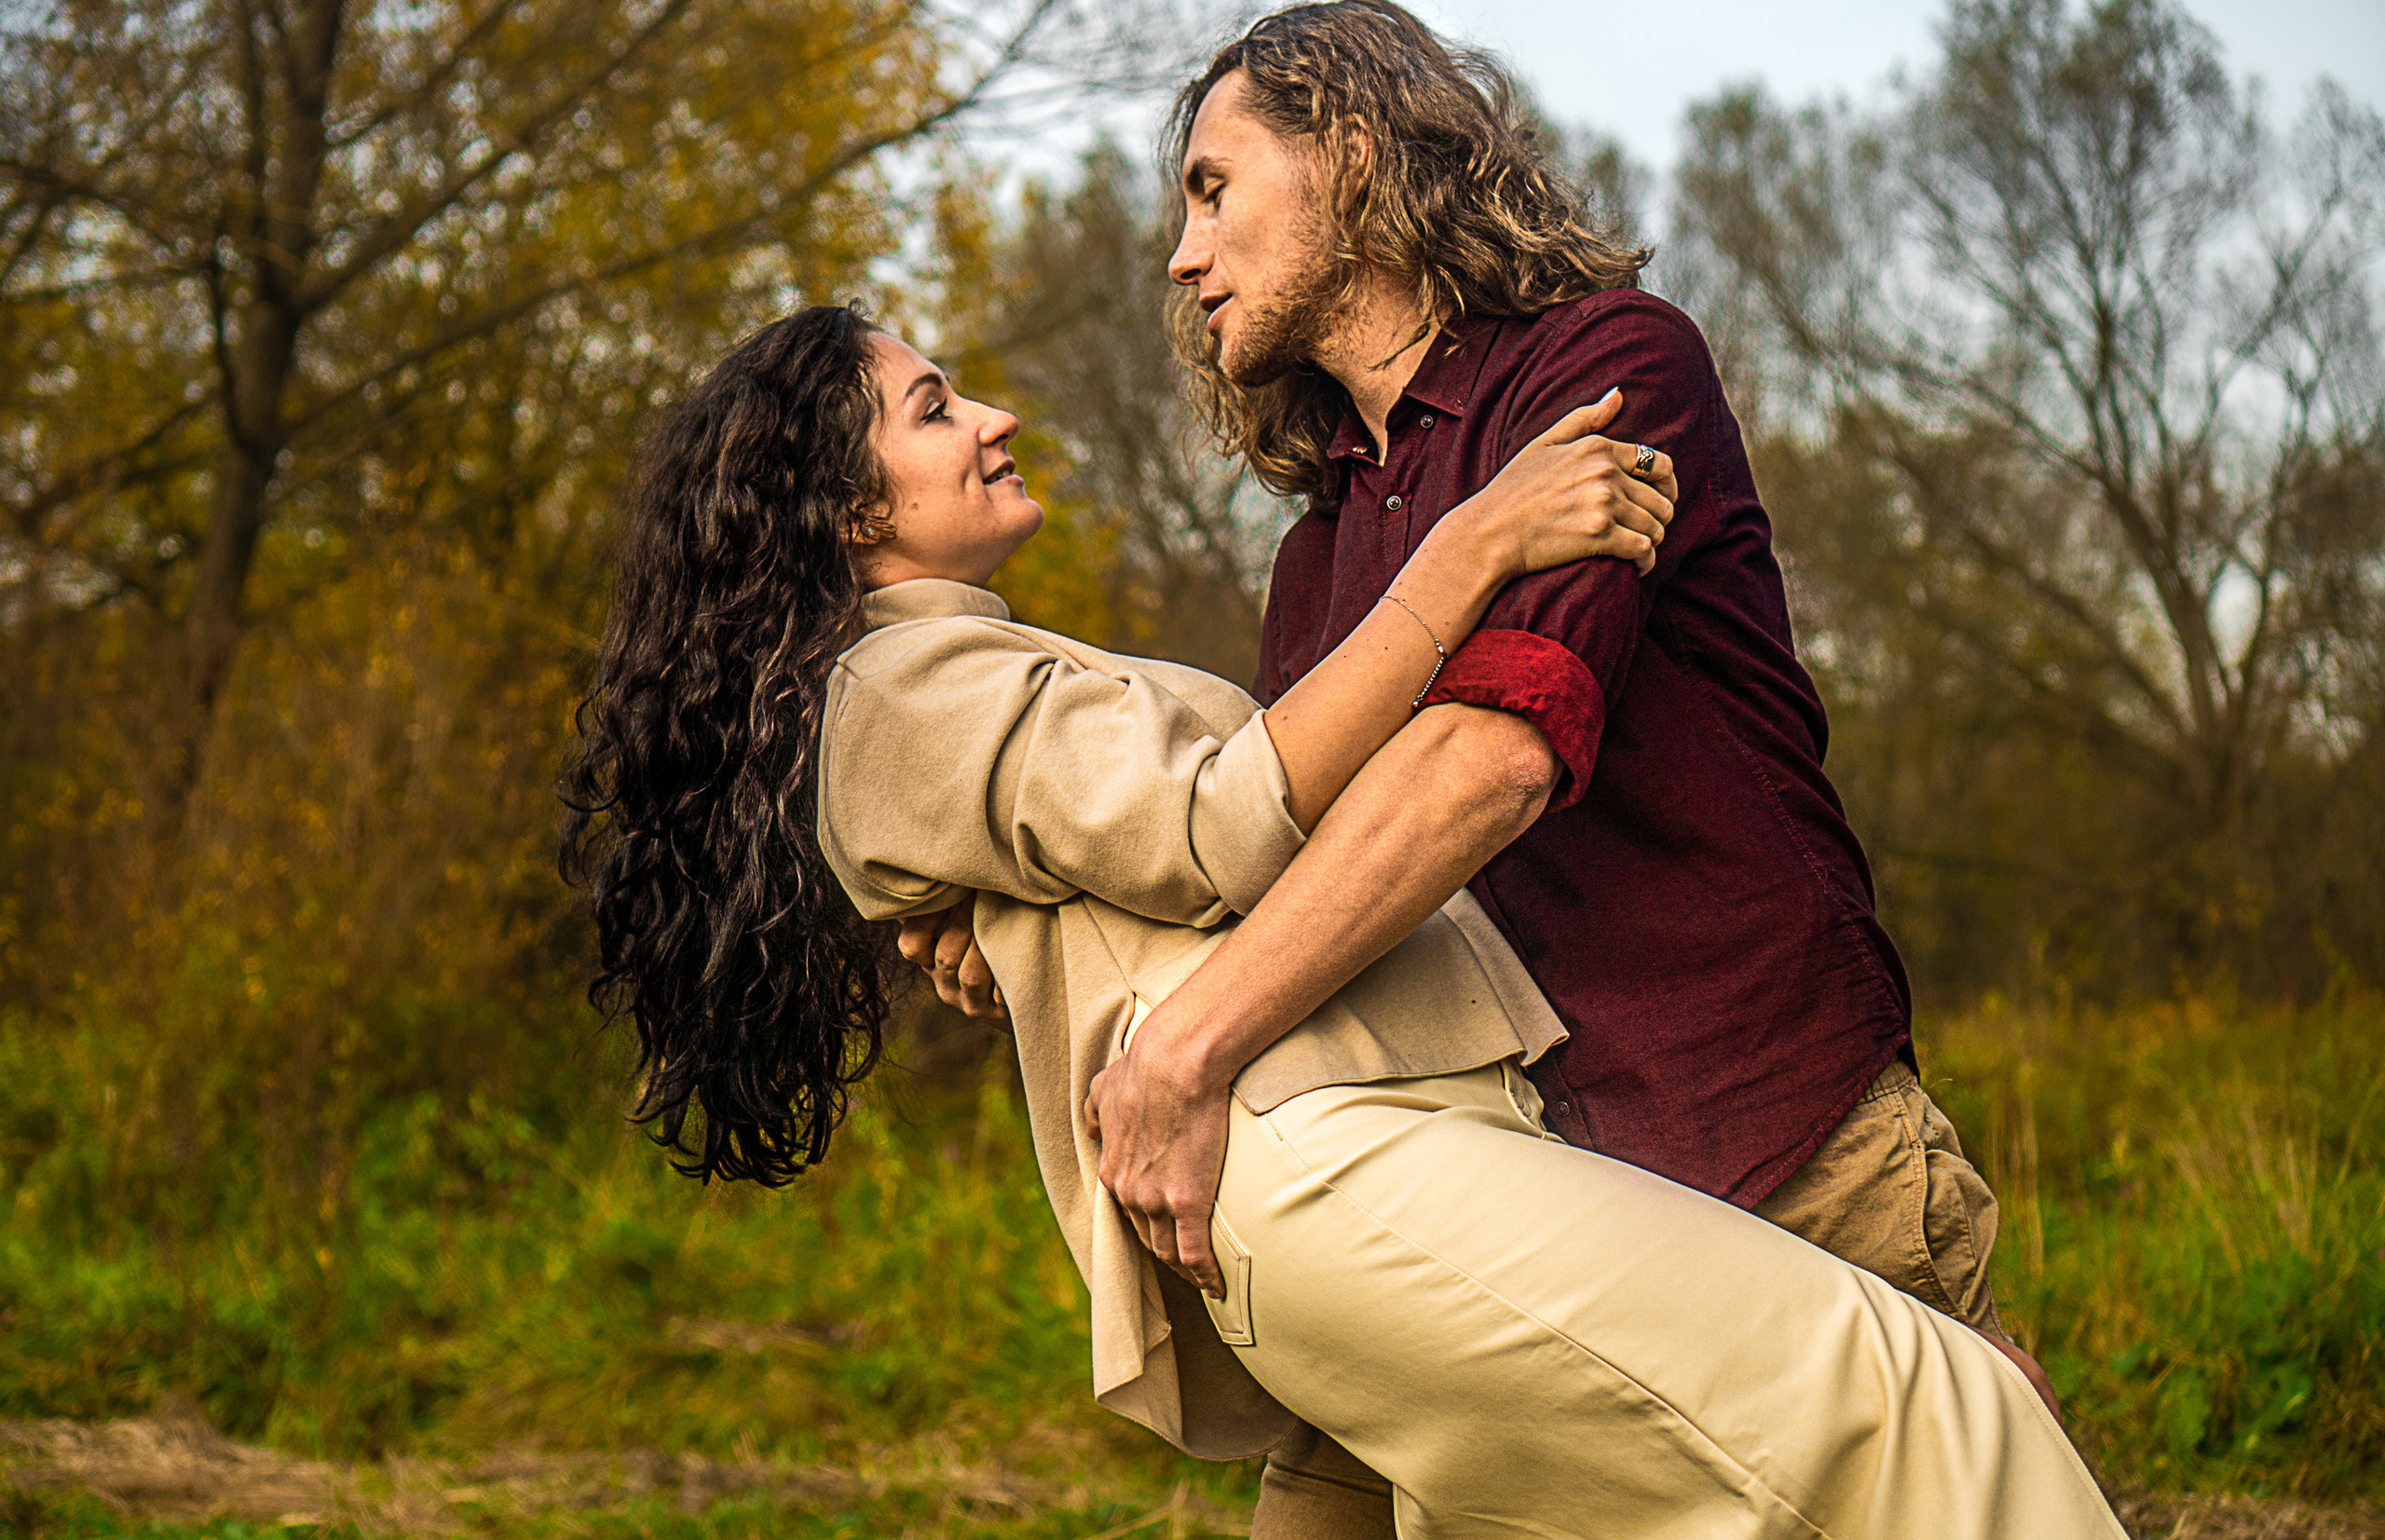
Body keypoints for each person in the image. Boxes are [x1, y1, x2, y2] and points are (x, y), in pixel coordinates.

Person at [561, 302, 2126, 1537]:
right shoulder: (899, 690)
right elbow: (1222, 823)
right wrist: (1478, 545)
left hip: (1371, 1141)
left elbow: (1120, 844)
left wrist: (1019, 942)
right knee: (1938, 1409)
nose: (994, 417)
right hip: (1331, 1142)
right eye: (933, 408)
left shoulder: (931, 687)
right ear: (844, 509)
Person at [904, 0, 2058, 1534]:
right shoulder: (1321, 559)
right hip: (1509, 1205)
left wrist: (1180, 1055)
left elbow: (1489, 760)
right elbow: (1261, 863)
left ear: (1360, 155)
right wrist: (1015, 925)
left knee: (1967, 1480)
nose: (1183, 257)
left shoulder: (1605, 374)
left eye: (1211, 188)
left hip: (1765, 1141)